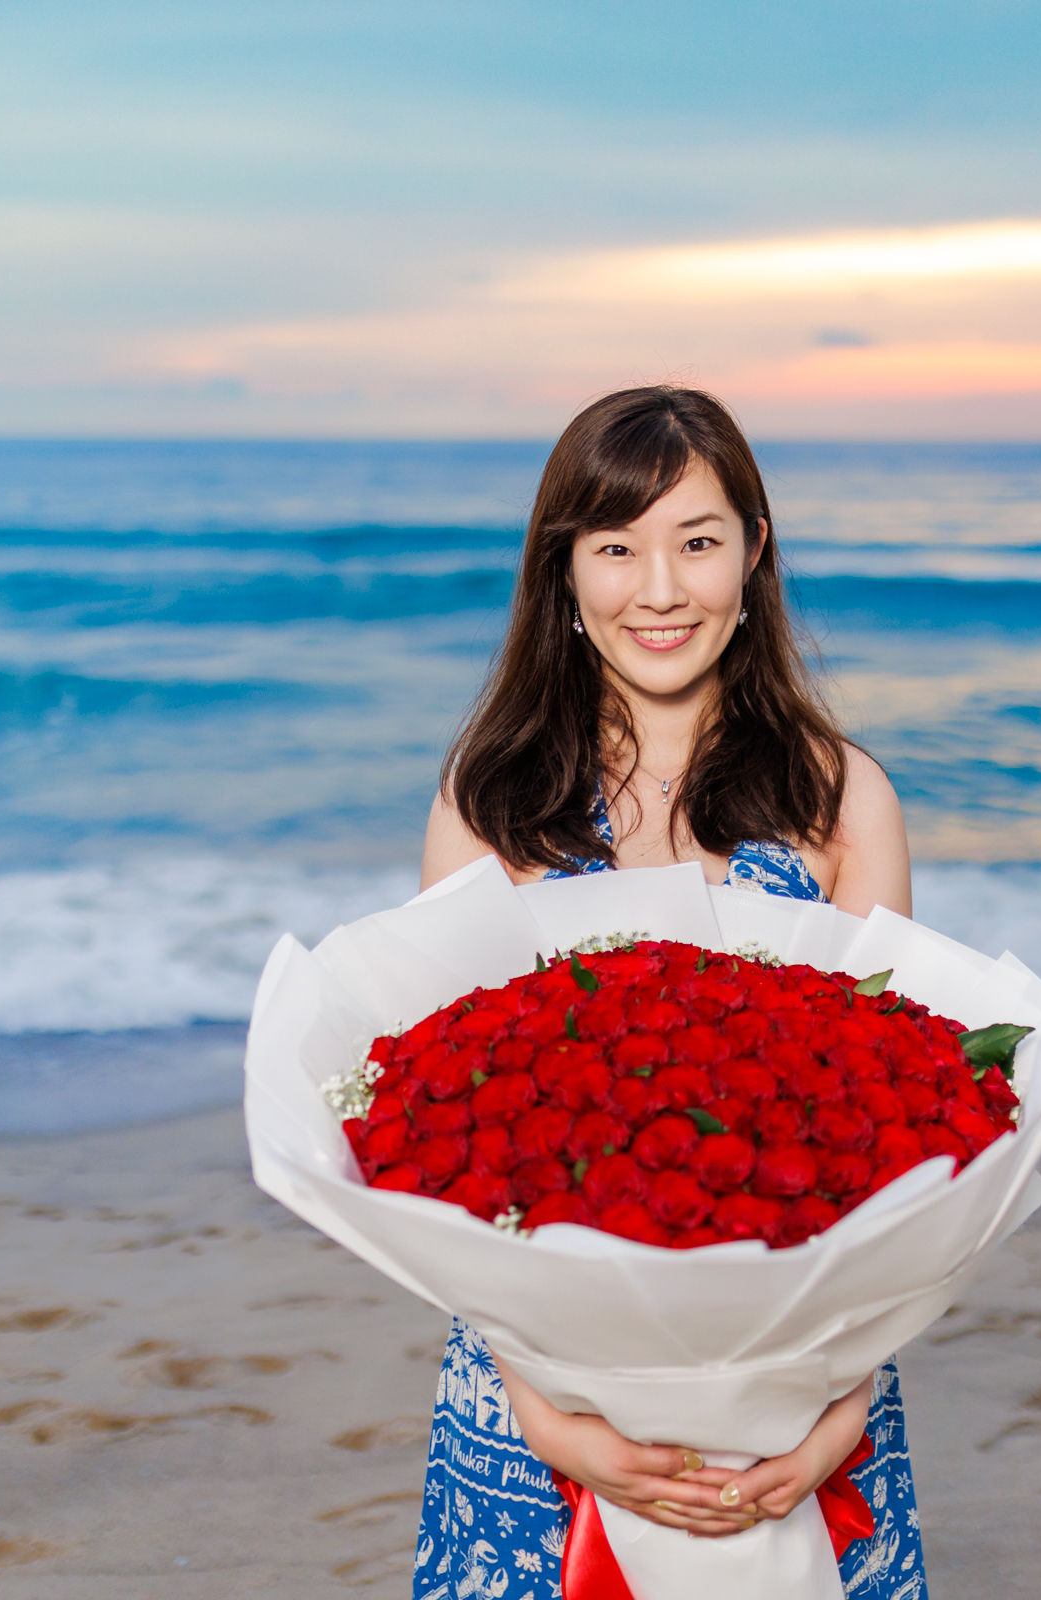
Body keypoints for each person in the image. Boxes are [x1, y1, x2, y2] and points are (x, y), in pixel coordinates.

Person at [414, 386, 927, 1599]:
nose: (660, 589)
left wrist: (838, 1415)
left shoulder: (842, 799)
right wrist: (549, 1417)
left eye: (697, 541)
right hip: (534, 1400)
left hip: (806, 1396)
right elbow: (444, 1143)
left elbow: (894, 1135)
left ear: (753, 554)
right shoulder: (489, 806)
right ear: (564, 571)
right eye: (616, 546)